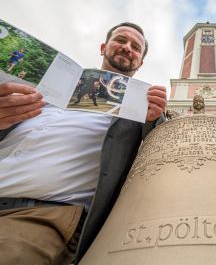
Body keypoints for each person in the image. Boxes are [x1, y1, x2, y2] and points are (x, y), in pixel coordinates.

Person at [0, 22, 167, 264]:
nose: (127, 48)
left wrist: (154, 116)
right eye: (120, 40)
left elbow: (160, 145)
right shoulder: (46, 84)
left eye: (136, 47)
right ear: (103, 47)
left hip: (38, 216)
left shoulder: (140, 107)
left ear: (140, 63)